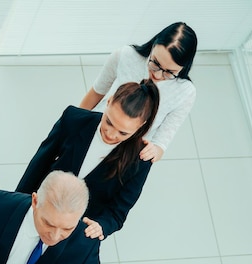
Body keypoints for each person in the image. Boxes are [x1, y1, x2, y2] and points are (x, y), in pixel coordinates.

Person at [17, 80, 159, 241]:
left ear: (141, 125)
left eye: (123, 133)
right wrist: (17, 204)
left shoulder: (140, 161)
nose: (111, 135)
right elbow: (38, 165)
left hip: (75, 232)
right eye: (109, 122)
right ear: (109, 101)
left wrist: (102, 226)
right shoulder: (73, 120)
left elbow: (118, 212)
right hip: (39, 210)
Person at [80, 21, 198, 163]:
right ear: (153, 45)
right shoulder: (125, 56)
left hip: (126, 154)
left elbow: (161, 143)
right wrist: (73, 123)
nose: (158, 76)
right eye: (155, 63)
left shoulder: (185, 92)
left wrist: (154, 151)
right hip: (99, 126)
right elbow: (96, 93)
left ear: (184, 68)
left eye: (169, 72)